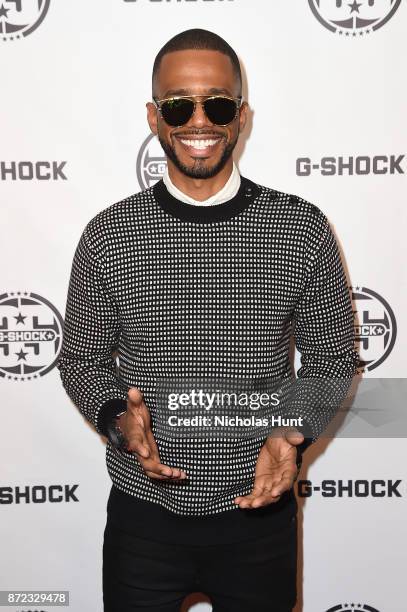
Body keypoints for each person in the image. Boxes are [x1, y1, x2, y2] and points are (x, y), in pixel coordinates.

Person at [57, 28, 358, 612]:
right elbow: (82, 360)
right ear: (154, 116)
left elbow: (331, 359)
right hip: (143, 518)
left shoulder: (300, 228)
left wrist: (291, 432)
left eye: (217, 103)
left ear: (241, 115)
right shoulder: (107, 235)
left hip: (259, 516)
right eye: (179, 105)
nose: (200, 121)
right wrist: (119, 416)